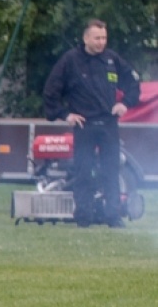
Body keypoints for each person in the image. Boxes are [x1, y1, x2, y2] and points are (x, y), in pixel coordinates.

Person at [42, 19, 142, 228]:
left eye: (104, 38)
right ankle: (83, 217)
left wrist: (125, 103)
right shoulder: (70, 60)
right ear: (86, 38)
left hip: (108, 124)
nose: (101, 42)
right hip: (84, 125)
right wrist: (65, 114)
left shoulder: (112, 60)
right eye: (97, 38)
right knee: (83, 171)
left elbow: (133, 83)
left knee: (111, 171)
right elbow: (51, 91)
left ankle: (113, 216)